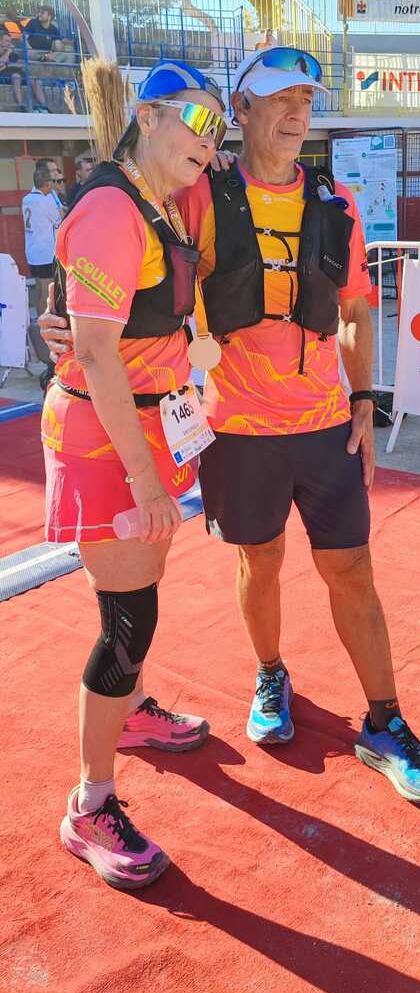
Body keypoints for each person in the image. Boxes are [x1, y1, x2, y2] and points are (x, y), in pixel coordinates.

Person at [40, 47, 420, 807]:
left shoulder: (336, 202)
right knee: (257, 562)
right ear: (244, 109)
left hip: (325, 425)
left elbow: (356, 310)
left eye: (307, 100)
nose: (297, 113)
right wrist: (62, 318)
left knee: (352, 570)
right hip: (233, 426)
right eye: (280, 98)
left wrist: (365, 400)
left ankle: (386, 722)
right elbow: (120, 243)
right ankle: (270, 675)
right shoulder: (200, 192)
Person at [41, 58, 228, 891]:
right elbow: (91, 351)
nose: (210, 142)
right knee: (128, 620)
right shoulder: (114, 208)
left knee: (137, 593)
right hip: (105, 441)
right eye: (199, 121)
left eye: (219, 129)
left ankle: (134, 714)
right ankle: (89, 803)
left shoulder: (158, 199)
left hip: (151, 426)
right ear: (148, 116)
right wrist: (148, 482)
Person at [22, 163, 63, 314]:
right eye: (52, 181)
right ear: (47, 183)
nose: (54, 183)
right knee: (47, 292)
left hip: (32, 252)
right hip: (45, 253)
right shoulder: (46, 201)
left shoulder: (26, 198)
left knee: (39, 288)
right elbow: (60, 220)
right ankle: (42, 322)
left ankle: (37, 318)